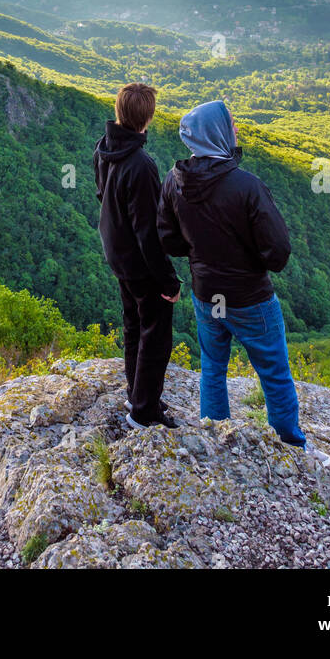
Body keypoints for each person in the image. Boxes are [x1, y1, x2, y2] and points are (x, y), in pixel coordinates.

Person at [158, 99, 311, 452]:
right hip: (250, 297)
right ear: (217, 134)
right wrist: (249, 260)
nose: (237, 129)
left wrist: (200, 253)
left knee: (212, 366)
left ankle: (214, 437)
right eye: (231, 125)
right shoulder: (246, 186)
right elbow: (278, 252)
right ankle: (290, 445)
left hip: (207, 293)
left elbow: (167, 238)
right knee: (273, 373)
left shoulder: (174, 181)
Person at [94, 82, 181, 429]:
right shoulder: (142, 165)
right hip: (140, 263)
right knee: (156, 335)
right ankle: (144, 413)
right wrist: (168, 280)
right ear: (148, 118)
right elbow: (150, 231)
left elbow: (102, 194)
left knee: (134, 325)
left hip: (117, 254)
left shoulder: (104, 149)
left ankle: (136, 393)